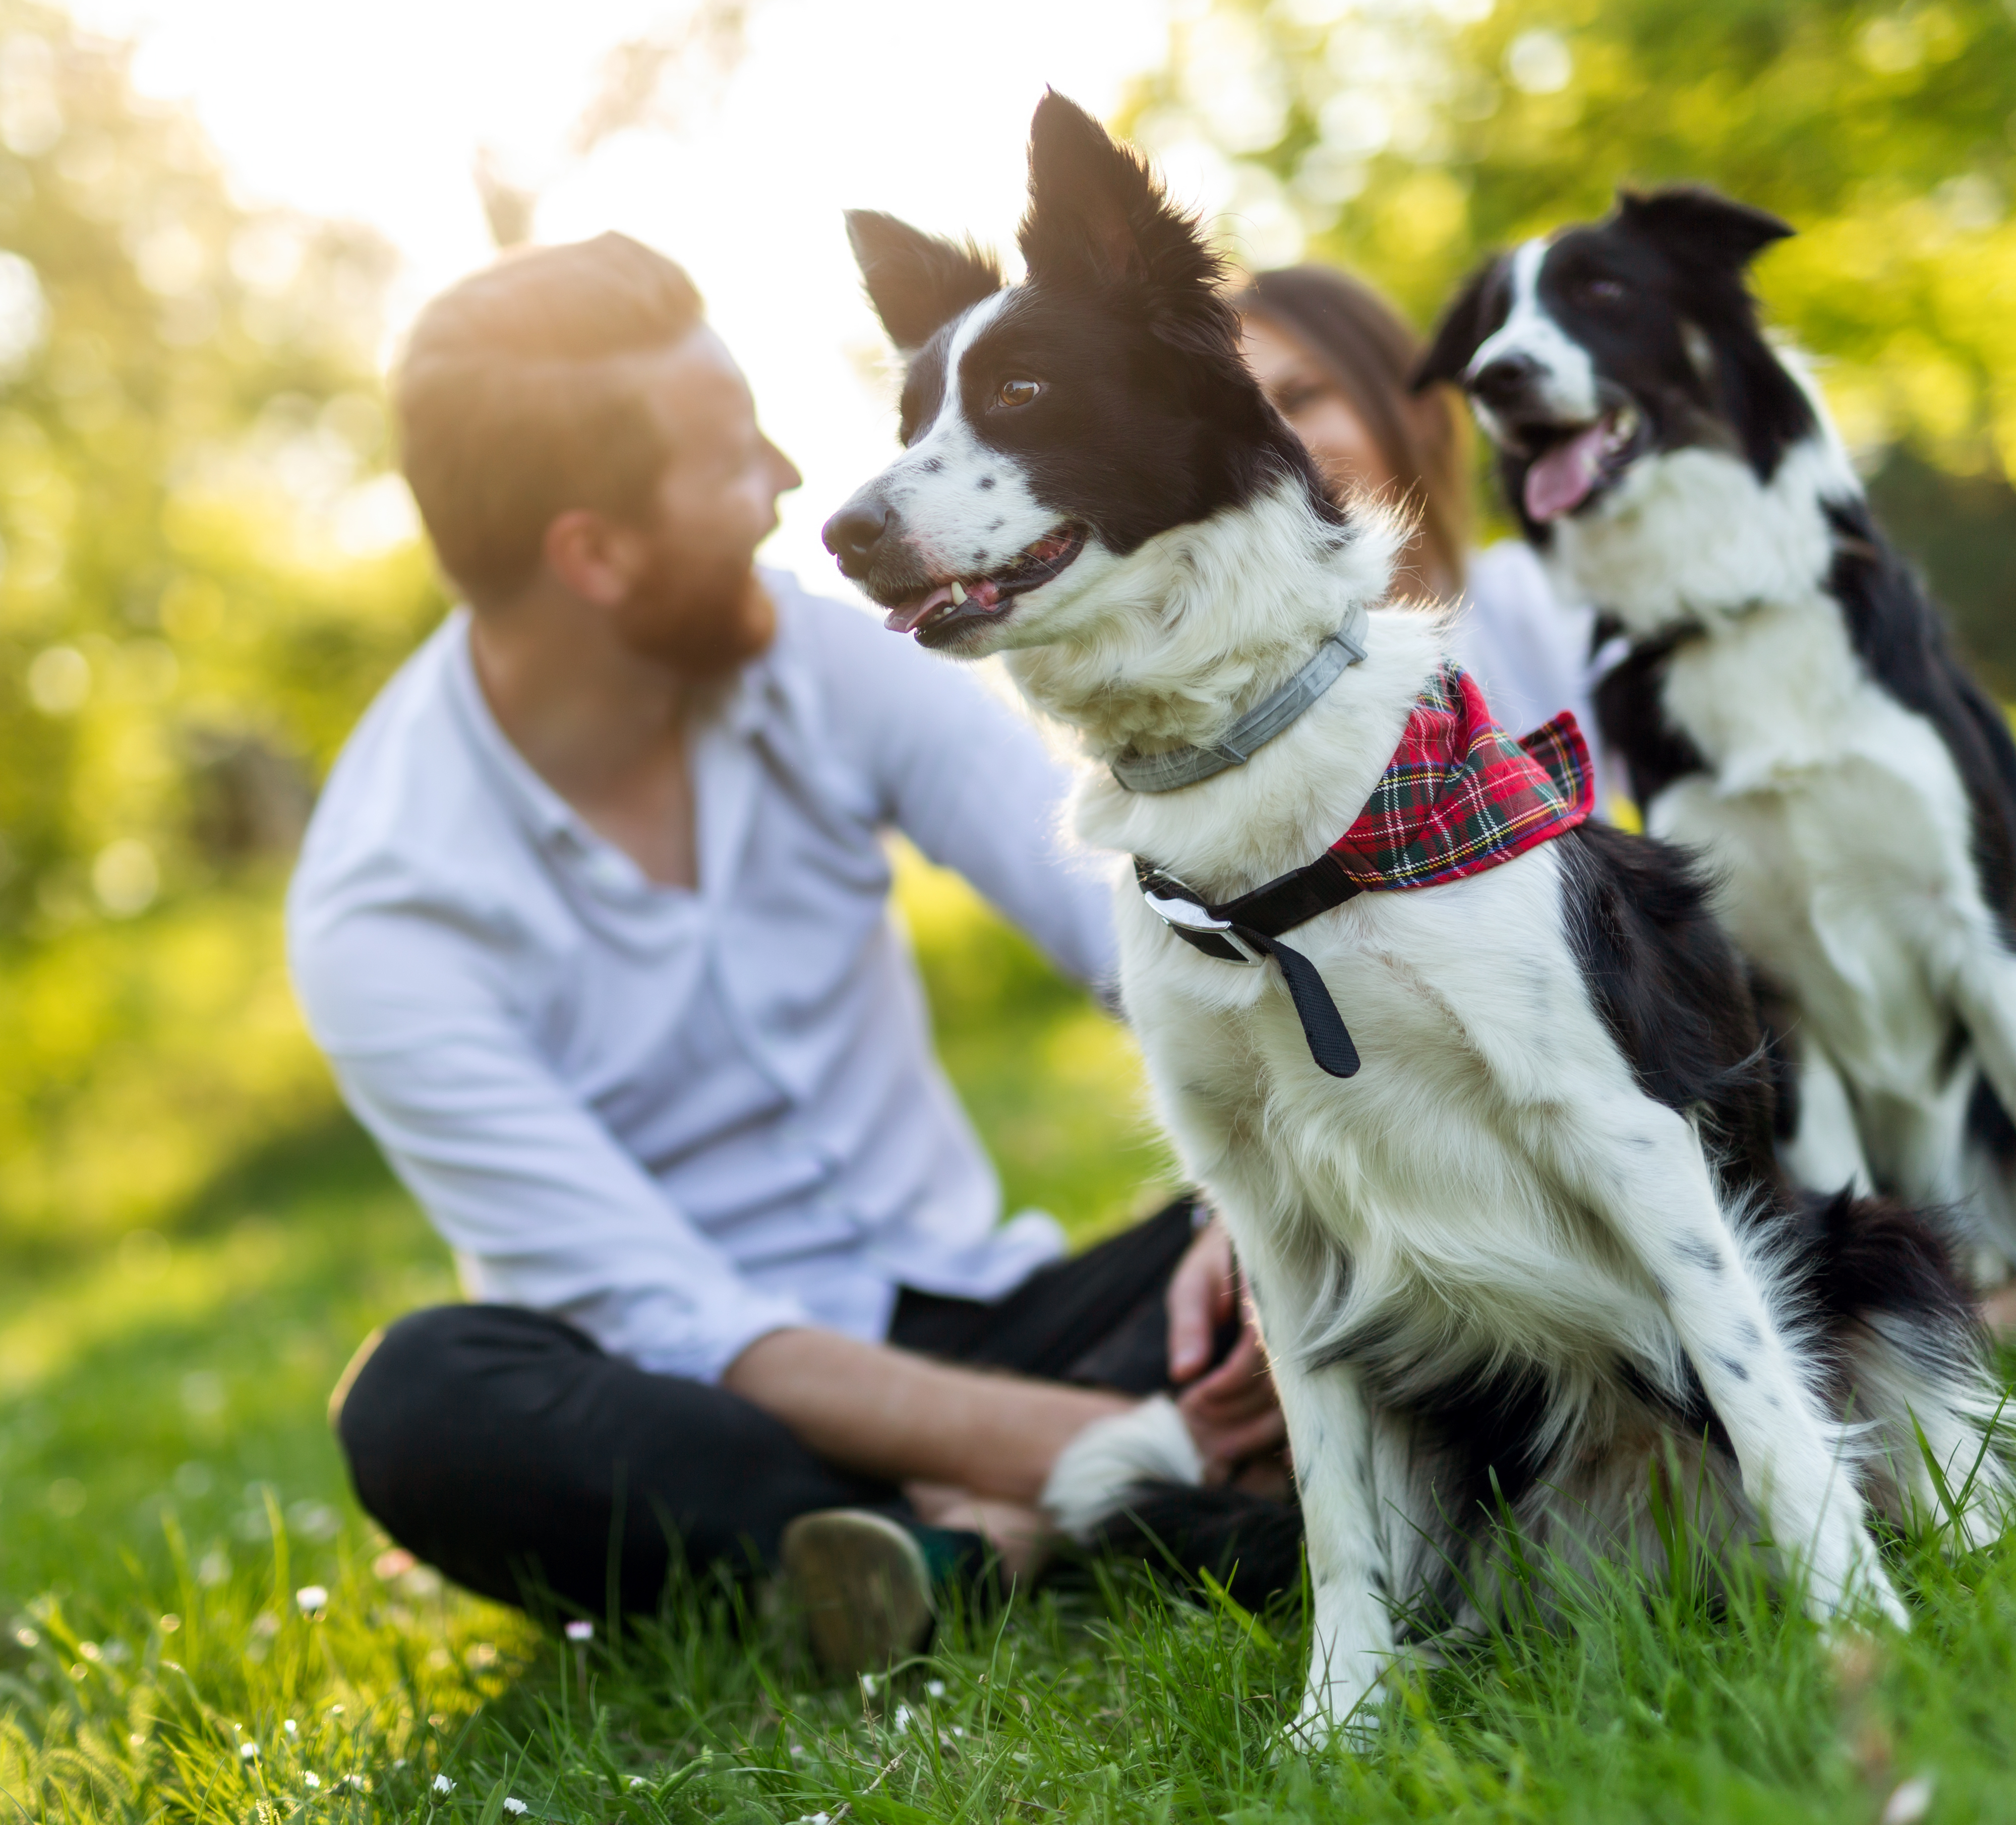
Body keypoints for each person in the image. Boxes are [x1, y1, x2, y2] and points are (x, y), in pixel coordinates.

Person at [290, 232, 1292, 1665]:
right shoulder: (383, 902)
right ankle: (1161, 1489)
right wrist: (1134, 1435)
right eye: (726, 459)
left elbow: (1132, 915)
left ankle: (958, 1543)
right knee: (425, 1402)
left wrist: (1237, 1218)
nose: (784, 480)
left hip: (1001, 1317)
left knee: (1334, 1208)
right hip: (706, 1399)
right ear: (595, 554)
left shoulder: (819, 658)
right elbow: (671, 1314)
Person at [1231, 265, 1620, 797]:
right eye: (1238, 428)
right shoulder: (1207, 723)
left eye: (1301, 396)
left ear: (1422, 406)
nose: (1272, 450)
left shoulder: (1557, 601)